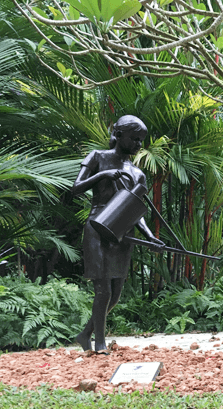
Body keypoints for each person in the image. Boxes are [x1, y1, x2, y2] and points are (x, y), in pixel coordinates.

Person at [72, 115, 163, 354]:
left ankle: (84, 334)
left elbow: (135, 211)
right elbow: (75, 188)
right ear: (119, 135)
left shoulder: (137, 173)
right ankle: (99, 343)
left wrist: (149, 236)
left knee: (115, 295)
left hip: (123, 232)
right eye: (135, 139)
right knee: (103, 290)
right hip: (98, 226)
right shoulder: (97, 157)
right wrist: (102, 175)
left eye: (141, 140)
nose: (138, 145)